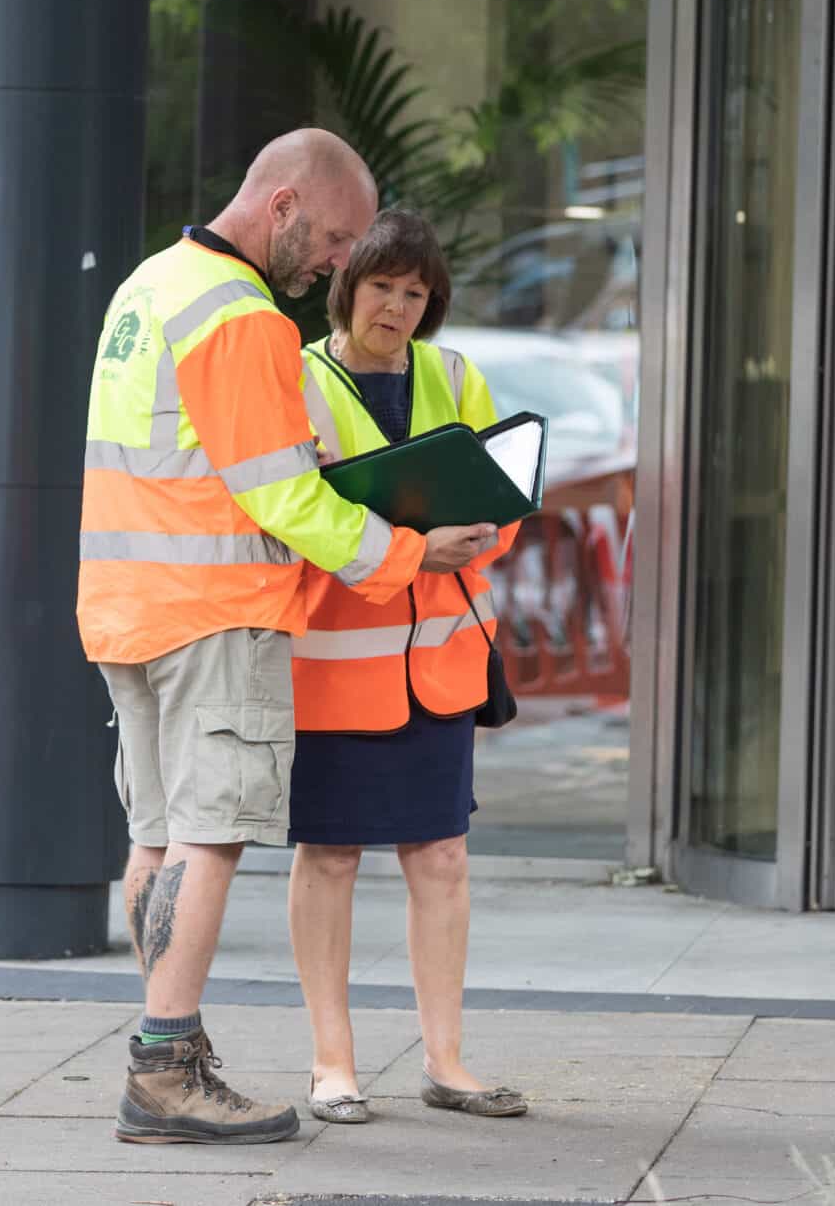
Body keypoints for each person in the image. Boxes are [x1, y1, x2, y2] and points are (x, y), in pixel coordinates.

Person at [78, 133, 500, 1146]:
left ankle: (164, 1045)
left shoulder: (149, 287)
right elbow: (281, 495)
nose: (331, 265)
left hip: (127, 604)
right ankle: (165, 1065)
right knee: (209, 837)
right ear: (279, 206)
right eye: (336, 239)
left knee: (154, 837)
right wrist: (404, 557)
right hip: (213, 611)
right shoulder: (239, 316)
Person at [286, 209, 529, 1125]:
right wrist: (402, 547)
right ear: (347, 286)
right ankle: (332, 1063)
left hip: (439, 663)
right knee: (332, 857)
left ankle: (447, 1061)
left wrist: (478, 537)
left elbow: (504, 493)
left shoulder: (457, 374)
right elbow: (292, 509)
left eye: (415, 292)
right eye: (383, 285)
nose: (397, 305)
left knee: (443, 859)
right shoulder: (300, 383)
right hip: (336, 665)